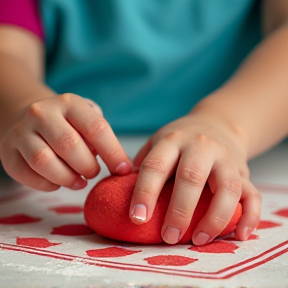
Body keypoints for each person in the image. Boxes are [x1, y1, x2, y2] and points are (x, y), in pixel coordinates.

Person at [0, 0, 288, 246]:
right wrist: (19, 107)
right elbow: (8, 49)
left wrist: (227, 125)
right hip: (66, 158)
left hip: (253, 144)